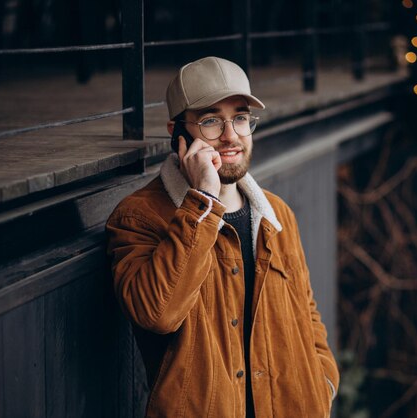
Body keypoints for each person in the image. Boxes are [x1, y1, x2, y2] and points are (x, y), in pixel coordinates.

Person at [106, 56, 339, 418]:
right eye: (211, 121)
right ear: (177, 133)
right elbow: (158, 314)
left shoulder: (276, 215)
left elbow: (307, 314)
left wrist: (322, 384)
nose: (231, 135)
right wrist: (205, 200)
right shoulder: (139, 217)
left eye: (241, 118)